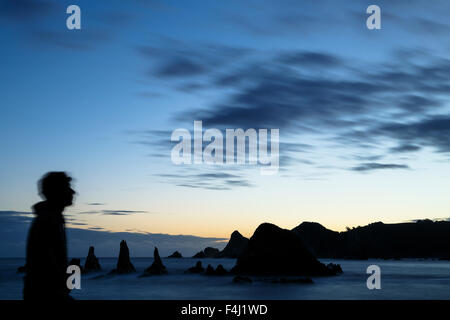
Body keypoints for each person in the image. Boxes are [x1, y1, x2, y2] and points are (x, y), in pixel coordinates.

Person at [23, 172, 75, 300]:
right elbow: (46, 264)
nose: (73, 192)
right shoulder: (47, 221)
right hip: (45, 295)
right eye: (68, 187)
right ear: (57, 191)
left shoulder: (54, 218)